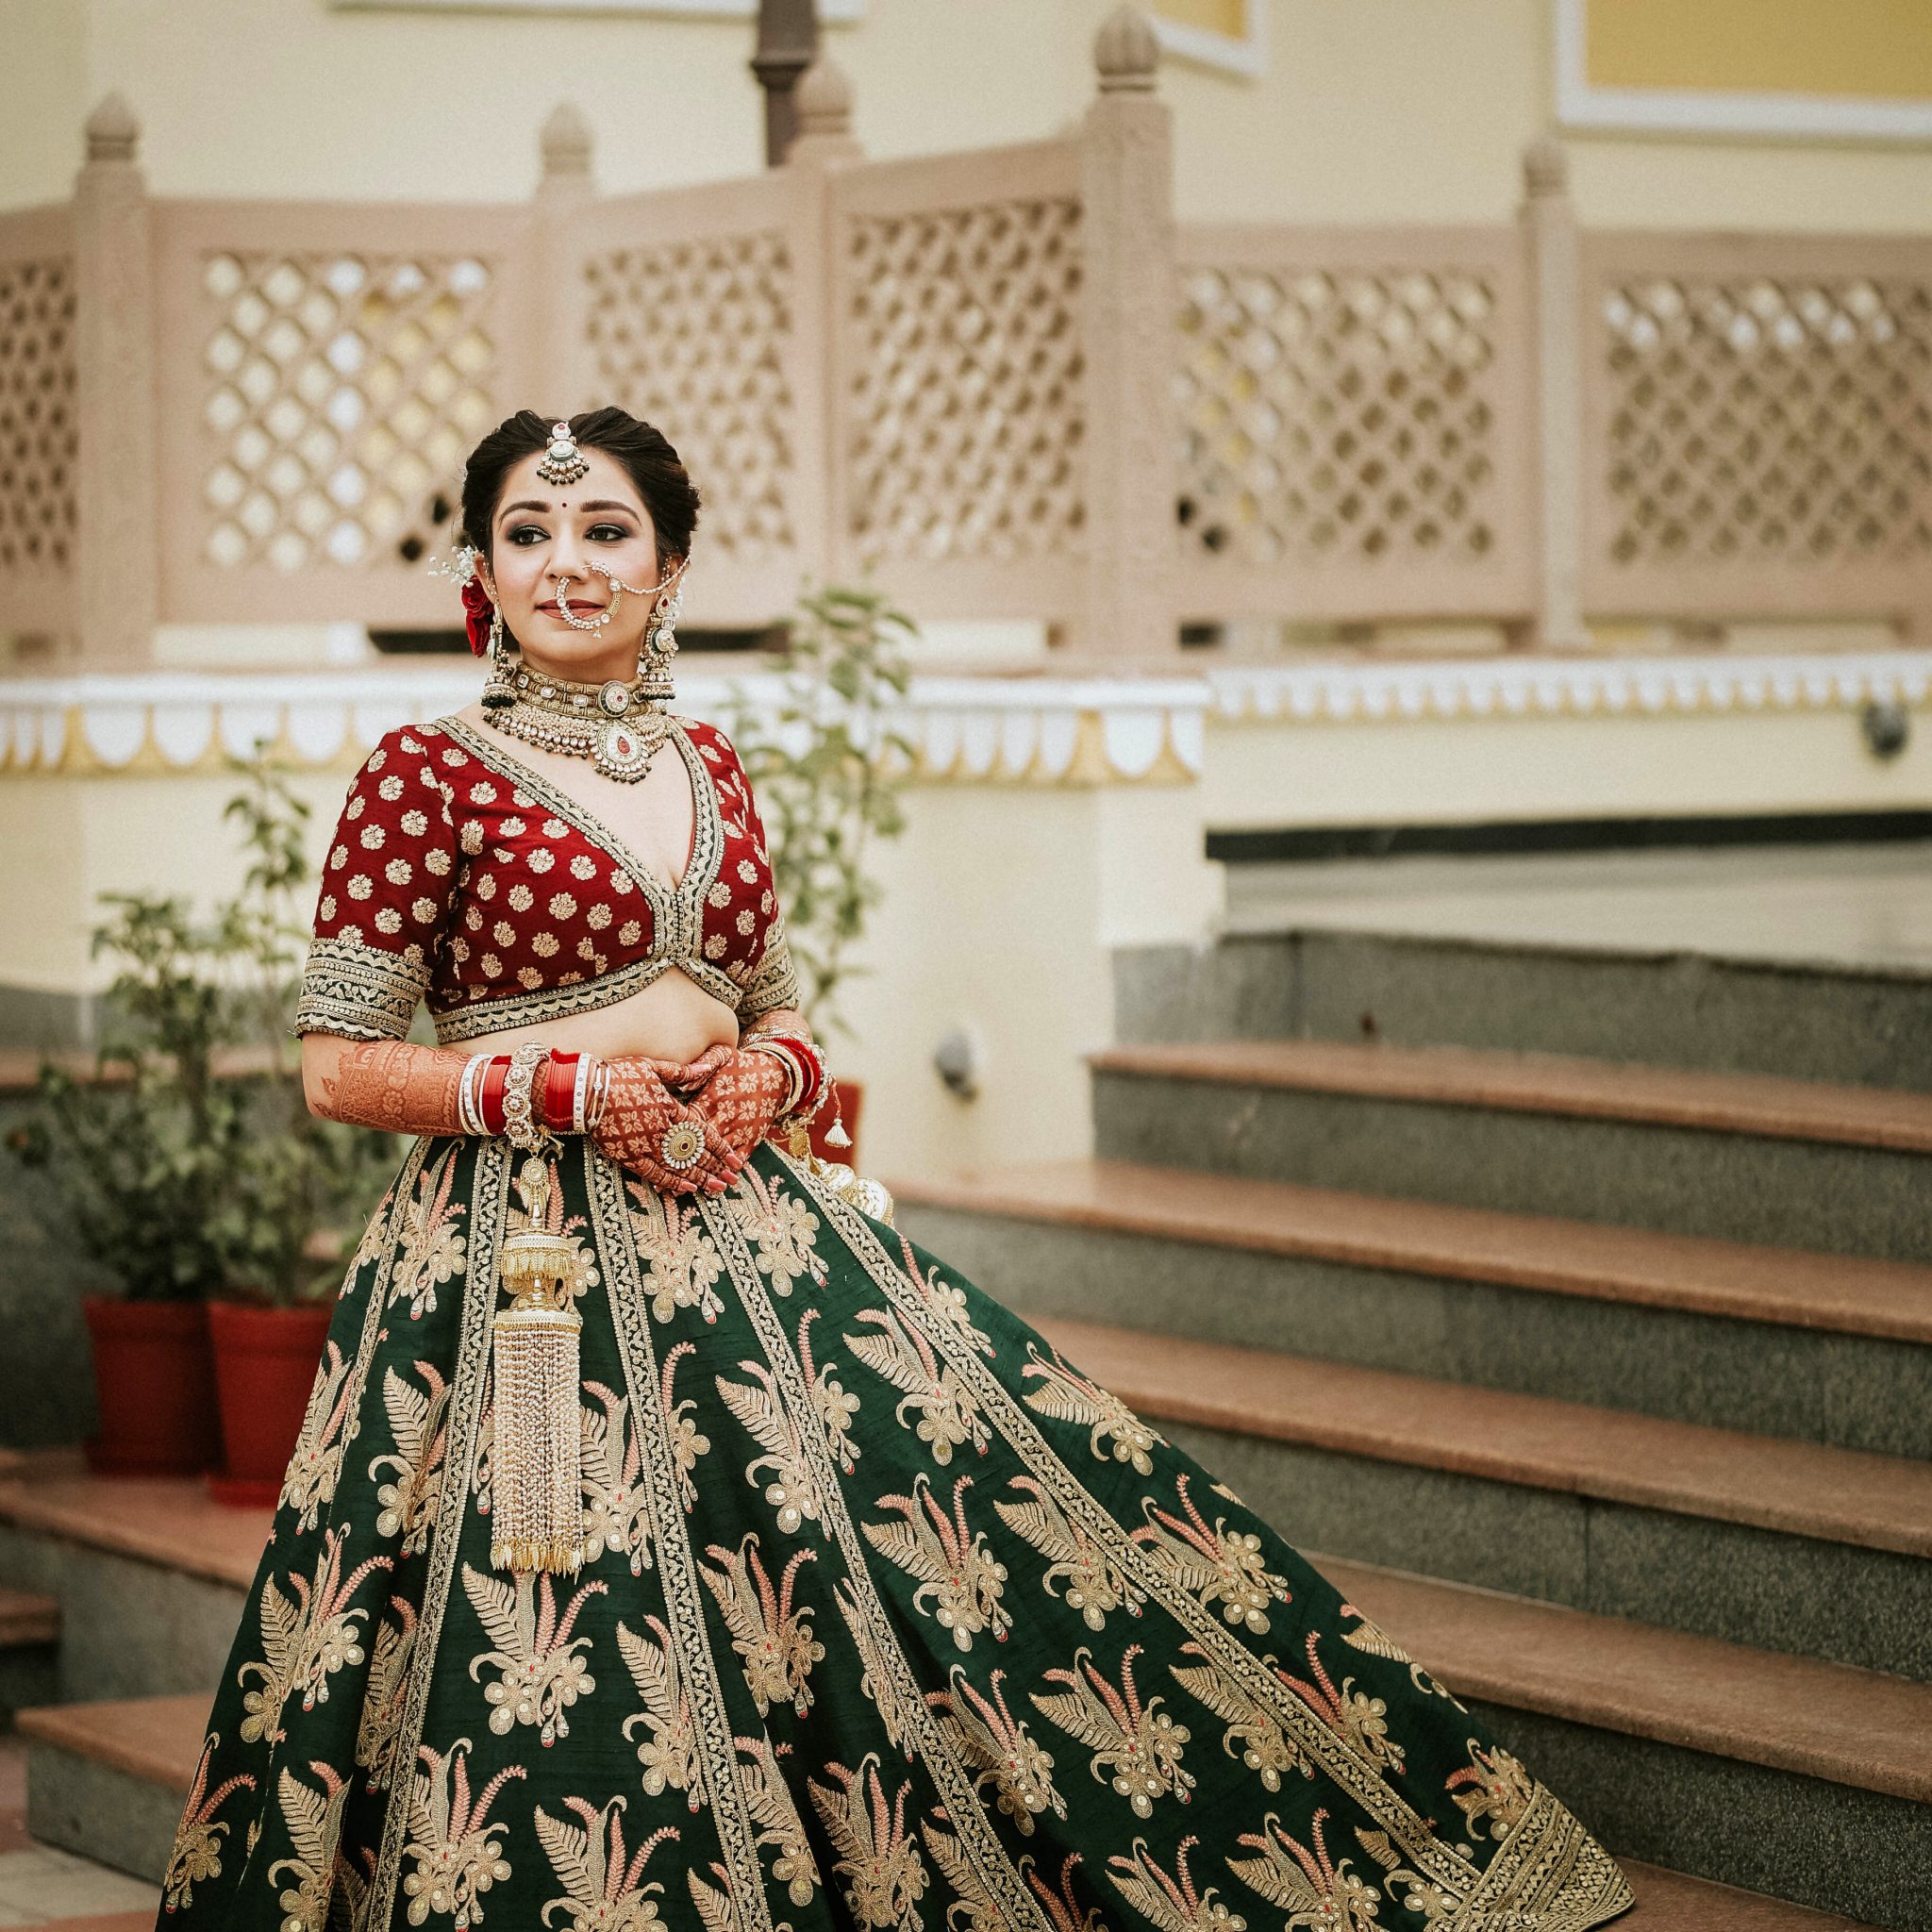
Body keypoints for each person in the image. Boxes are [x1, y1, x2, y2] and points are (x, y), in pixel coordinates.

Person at [159, 408, 1632, 1931]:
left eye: (607, 533)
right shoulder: (428, 771)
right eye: (530, 535)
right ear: (477, 567)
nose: (569, 565)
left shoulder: (709, 764)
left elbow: (780, 1000)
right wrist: (569, 1085)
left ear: (669, 569)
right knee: (556, 1629)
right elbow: (338, 1065)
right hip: (522, 1275)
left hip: (740, 1229)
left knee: (936, 1544)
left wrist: (766, 1074)